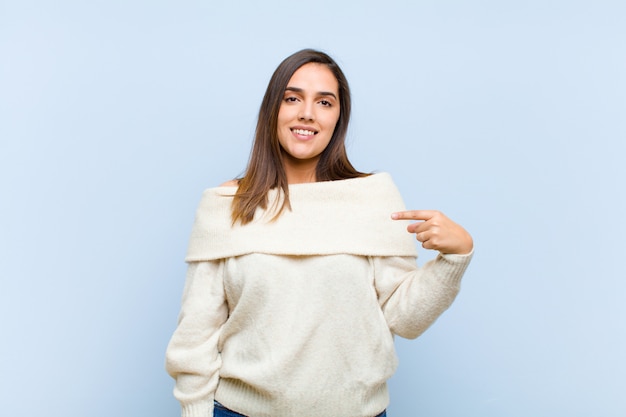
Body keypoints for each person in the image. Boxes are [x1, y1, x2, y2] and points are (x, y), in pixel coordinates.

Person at [165, 49, 473, 417]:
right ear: (271, 111)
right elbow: (195, 338)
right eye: (292, 98)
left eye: (324, 102)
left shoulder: (371, 198)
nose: (307, 112)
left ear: (338, 117)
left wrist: (455, 257)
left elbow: (404, 319)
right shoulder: (228, 202)